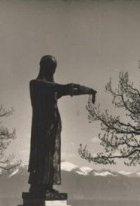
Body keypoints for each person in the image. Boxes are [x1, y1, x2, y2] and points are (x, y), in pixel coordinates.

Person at [27, 55, 97, 195]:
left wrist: (88, 91)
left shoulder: (51, 88)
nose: (52, 71)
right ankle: (38, 185)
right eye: (51, 68)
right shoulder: (36, 84)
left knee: (51, 154)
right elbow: (66, 88)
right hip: (42, 127)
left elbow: (67, 89)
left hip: (53, 126)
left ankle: (47, 185)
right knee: (42, 154)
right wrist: (88, 90)